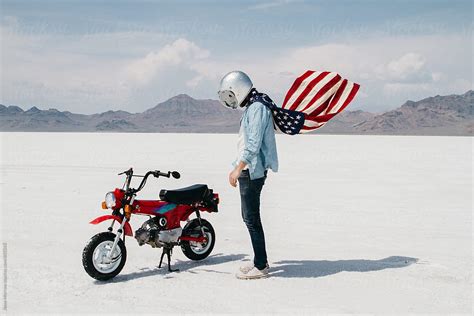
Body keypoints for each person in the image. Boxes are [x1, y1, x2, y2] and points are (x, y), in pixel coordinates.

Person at [217, 71, 278, 279]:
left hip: (252, 171)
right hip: (247, 169)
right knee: (249, 217)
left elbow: (253, 144)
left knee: (251, 218)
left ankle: (261, 266)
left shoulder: (258, 108)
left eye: (231, 95)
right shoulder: (253, 107)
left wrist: (238, 168)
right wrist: (237, 166)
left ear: (239, 89)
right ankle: (258, 260)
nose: (232, 100)